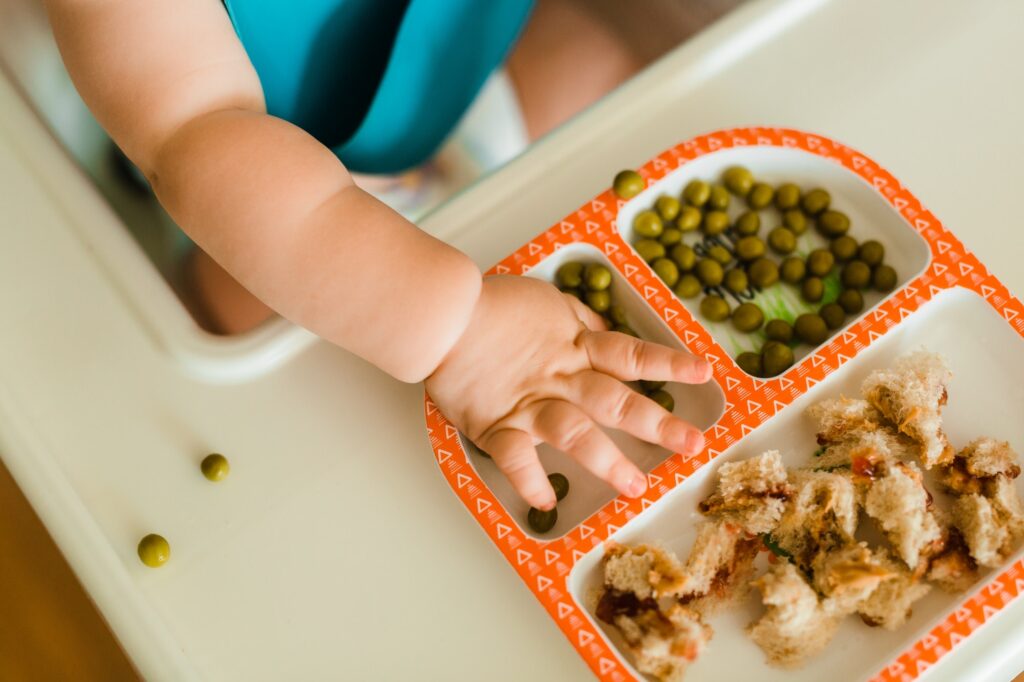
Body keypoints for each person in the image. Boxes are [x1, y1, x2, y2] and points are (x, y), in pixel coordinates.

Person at [44, 0, 712, 512]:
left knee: (591, 59)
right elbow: (194, 128)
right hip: (266, 169)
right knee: (241, 316)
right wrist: (453, 328)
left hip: (456, 78)